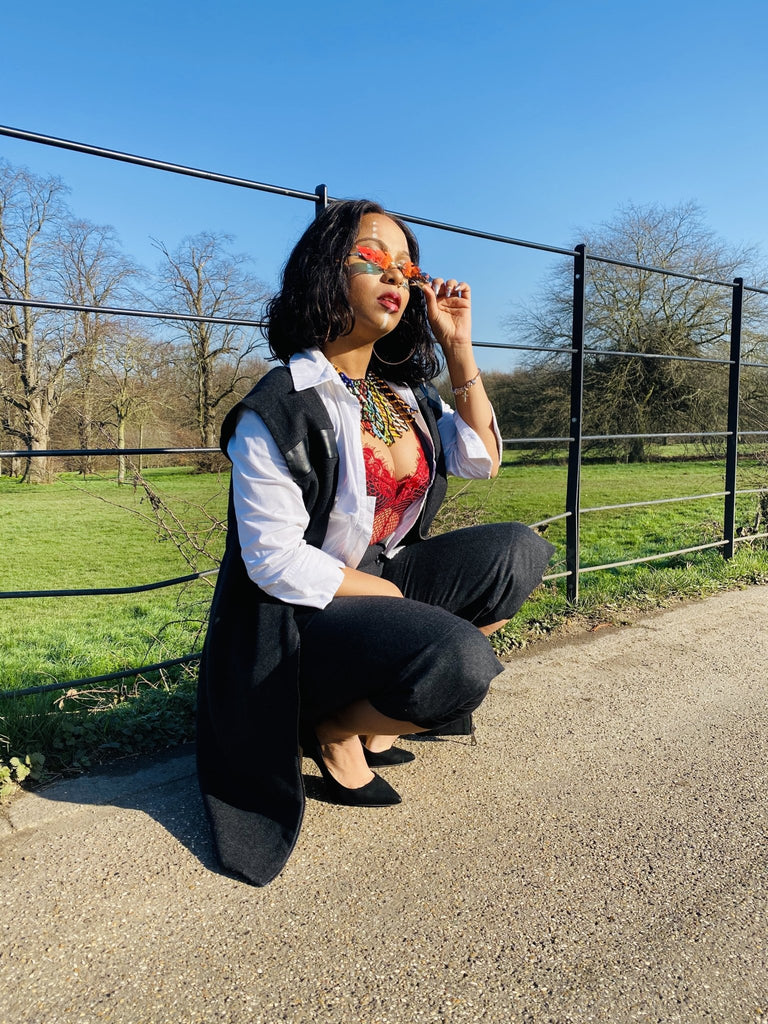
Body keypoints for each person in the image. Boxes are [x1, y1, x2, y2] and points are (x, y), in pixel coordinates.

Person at [197, 200, 554, 886]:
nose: (393, 273)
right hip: (305, 611)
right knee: (461, 661)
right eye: (371, 257)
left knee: (520, 552)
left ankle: (371, 715)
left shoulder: (402, 394)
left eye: (405, 265)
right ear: (324, 272)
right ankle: (330, 727)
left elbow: (482, 459)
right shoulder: (279, 407)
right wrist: (389, 595)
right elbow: (272, 561)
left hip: (384, 574)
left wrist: (458, 346)